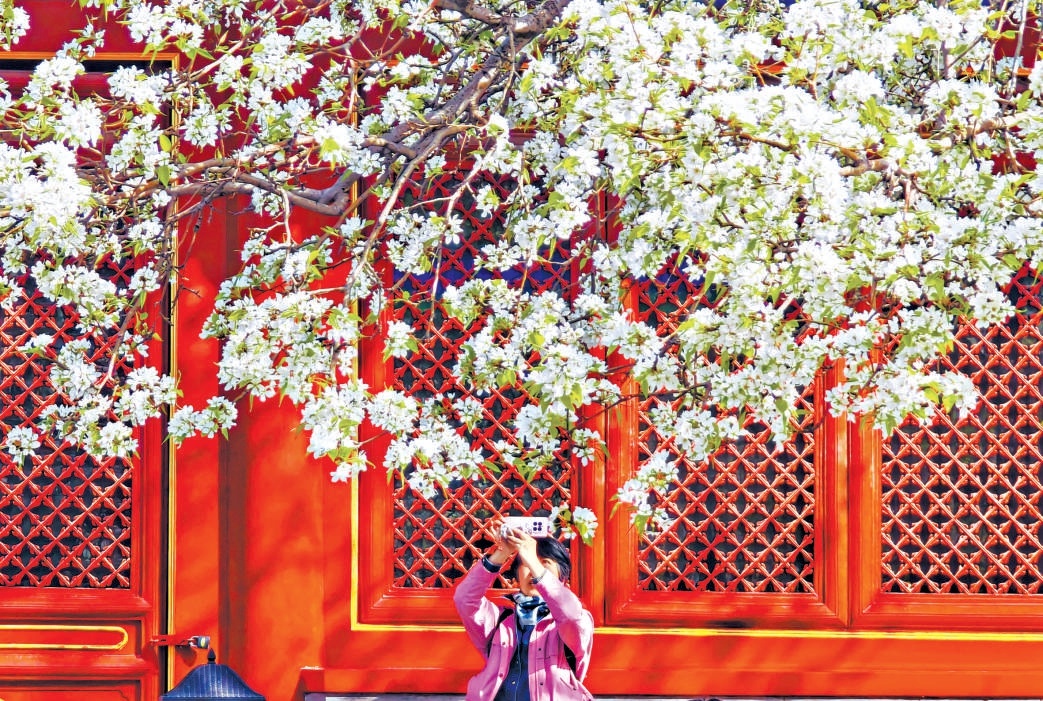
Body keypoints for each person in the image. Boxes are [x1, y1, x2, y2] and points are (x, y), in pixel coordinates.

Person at [453, 516, 595, 701]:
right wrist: (502, 552)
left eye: (545, 563)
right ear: (516, 576)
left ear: (563, 577)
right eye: (525, 565)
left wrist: (532, 561)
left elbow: (570, 614)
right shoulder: (501, 618)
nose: (532, 570)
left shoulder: (578, 618)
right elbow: (464, 599)